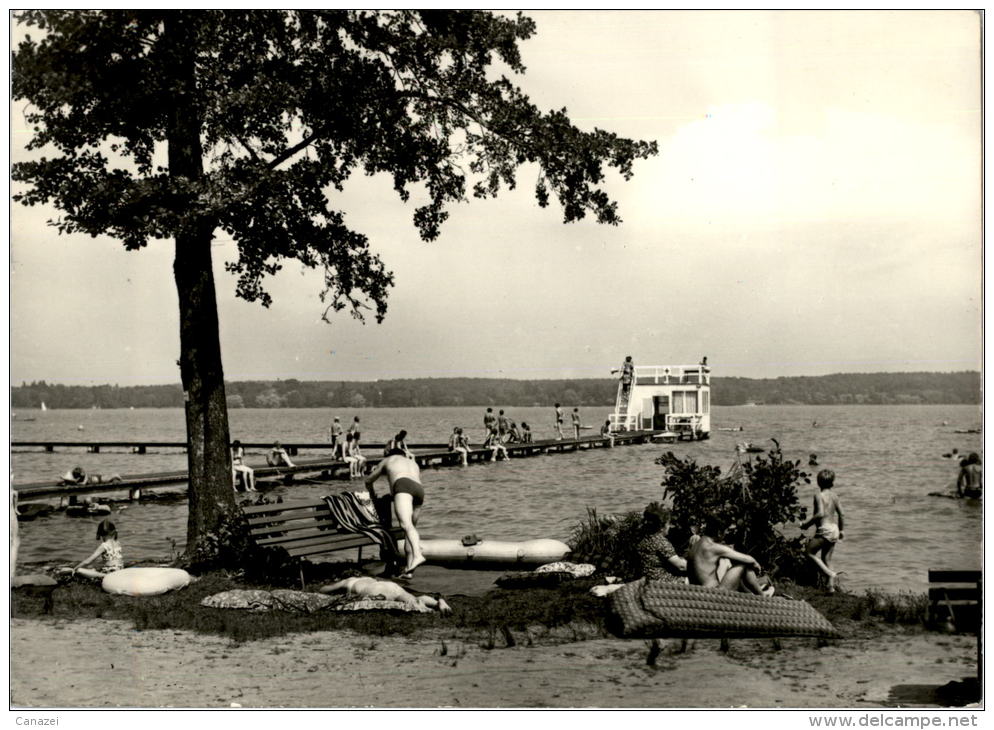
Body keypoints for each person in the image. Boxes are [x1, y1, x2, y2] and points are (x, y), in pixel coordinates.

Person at [365, 450, 428, 578]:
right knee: (410, 530)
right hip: (419, 490)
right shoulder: (411, 462)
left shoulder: (388, 460)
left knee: (406, 525)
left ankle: (418, 555)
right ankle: (409, 569)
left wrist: (372, 494)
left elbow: (369, 480)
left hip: (402, 485)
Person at [687, 519, 772, 596]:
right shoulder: (711, 547)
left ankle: (749, 595)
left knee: (737, 566)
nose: (725, 534)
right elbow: (749, 559)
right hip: (713, 593)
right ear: (719, 532)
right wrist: (757, 566)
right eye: (725, 532)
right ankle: (761, 595)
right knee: (743, 565)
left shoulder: (696, 546)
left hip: (698, 592)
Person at [800, 469, 846, 592]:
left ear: (818, 483)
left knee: (809, 552)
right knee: (827, 558)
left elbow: (820, 513)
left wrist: (806, 524)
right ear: (832, 483)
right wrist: (842, 531)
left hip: (825, 529)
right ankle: (830, 587)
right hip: (834, 529)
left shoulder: (818, 495)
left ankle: (829, 574)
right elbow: (842, 514)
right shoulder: (835, 496)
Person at [320, 575, 450, 614]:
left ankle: (424, 609)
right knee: (413, 599)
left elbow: (324, 590)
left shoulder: (348, 581)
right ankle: (437, 602)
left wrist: (334, 586)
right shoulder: (370, 578)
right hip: (389, 585)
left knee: (384, 602)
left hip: (375, 590)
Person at [636, 503, 686, 583]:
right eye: (668, 523)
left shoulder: (643, 537)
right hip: (661, 581)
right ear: (661, 527)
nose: (669, 526)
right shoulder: (660, 542)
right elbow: (682, 566)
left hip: (645, 579)